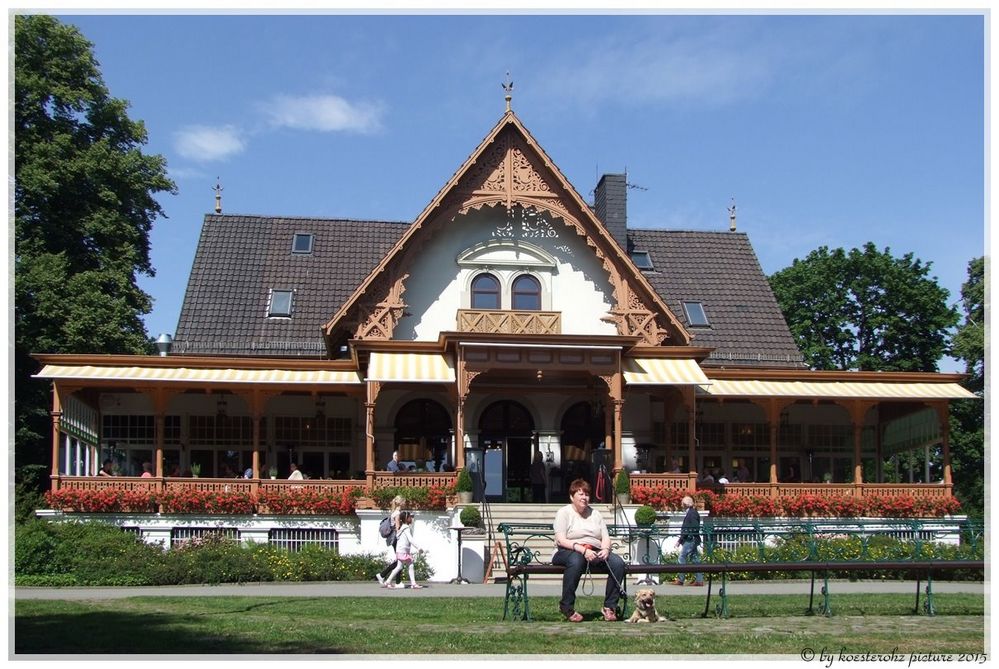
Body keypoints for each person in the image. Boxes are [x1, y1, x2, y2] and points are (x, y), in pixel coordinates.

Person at [552, 478, 626, 622]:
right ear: (571, 497)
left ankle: (609, 607)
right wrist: (582, 550)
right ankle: (566, 606)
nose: (584, 498)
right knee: (576, 559)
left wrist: (605, 549)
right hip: (567, 551)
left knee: (617, 563)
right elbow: (561, 540)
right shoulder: (563, 512)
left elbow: (605, 537)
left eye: (586, 494)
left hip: (594, 551)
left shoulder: (596, 514)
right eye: (580, 494)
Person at [384, 511, 425, 589]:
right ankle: (412, 584)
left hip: (401, 550)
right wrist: (418, 547)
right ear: (406, 519)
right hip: (403, 550)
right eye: (410, 517)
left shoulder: (402, 527)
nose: (411, 519)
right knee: (405, 565)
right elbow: (410, 539)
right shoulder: (406, 528)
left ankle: (388, 582)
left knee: (403, 566)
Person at [673, 495, 704, 586]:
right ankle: (699, 580)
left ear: (685, 504)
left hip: (690, 539)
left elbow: (693, 527)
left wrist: (682, 539)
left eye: (682, 503)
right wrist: (680, 540)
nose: (681, 505)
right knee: (695, 559)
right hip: (691, 539)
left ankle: (681, 579)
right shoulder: (691, 512)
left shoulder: (692, 513)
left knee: (681, 557)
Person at [376, 495, 406, 586]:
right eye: (404, 502)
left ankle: (394, 580)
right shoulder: (397, 513)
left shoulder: (394, 512)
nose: (405, 503)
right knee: (400, 560)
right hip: (396, 539)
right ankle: (383, 575)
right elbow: (397, 528)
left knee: (399, 560)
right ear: (400, 503)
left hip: (393, 539)